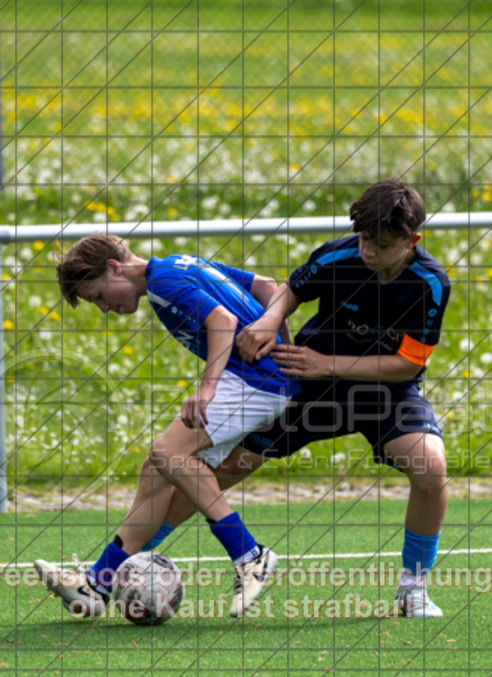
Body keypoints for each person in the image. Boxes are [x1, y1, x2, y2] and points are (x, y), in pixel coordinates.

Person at [144, 178, 452, 618]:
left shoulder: (430, 284)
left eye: (381, 244)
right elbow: (291, 289)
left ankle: (413, 587)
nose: (367, 250)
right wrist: (270, 319)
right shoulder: (339, 254)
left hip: (383, 389)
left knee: (431, 466)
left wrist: (326, 364)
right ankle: (132, 557)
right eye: (364, 238)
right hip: (310, 384)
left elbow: (408, 364)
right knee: (228, 467)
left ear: (412, 241)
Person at [34, 234, 296, 619]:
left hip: (255, 381)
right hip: (263, 378)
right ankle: (96, 586)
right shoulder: (179, 263)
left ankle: (250, 556)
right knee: (156, 470)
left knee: (166, 453)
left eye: (98, 297)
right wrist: (284, 350)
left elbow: (221, 321)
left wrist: (207, 388)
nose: (105, 309)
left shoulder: (163, 281)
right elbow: (267, 287)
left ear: (113, 268)